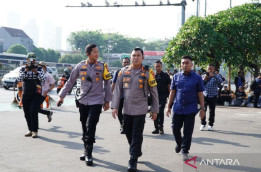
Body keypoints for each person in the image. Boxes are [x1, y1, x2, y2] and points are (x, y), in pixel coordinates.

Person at [57, 44, 112, 166]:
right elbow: (70, 81)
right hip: (83, 100)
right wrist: (61, 97)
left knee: (91, 124)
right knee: (84, 126)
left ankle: (89, 153)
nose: (97, 54)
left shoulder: (103, 66)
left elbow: (107, 83)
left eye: (98, 52)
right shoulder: (80, 65)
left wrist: (107, 100)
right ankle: (86, 148)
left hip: (97, 100)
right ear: (88, 53)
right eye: (94, 52)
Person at [111, 47, 159, 172]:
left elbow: (154, 92)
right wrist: (114, 107)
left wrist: (155, 110)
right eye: (134, 55)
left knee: (137, 133)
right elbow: (117, 90)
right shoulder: (123, 71)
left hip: (141, 109)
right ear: (130, 57)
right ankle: (136, 150)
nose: (136, 57)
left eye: (138, 55)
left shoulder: (149, 72)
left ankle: (133, 159)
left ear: (142, 58)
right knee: (127, 131)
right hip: (127, 109)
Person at [166, 55, 205, 161]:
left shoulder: (197, 78)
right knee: (175, 128)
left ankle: (185, 150)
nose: (185, 65)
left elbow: (200, 93)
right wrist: (168, 106)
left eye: (187, 63)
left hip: (190, 109)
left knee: (188, 131)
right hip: (177, 108)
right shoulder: (176, 76)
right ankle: (180, 143)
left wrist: (202, 109)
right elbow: (172, 92)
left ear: (191, 65)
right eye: (183, 63)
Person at [17, 53, 45, 138]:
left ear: (35, 60)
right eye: (30, 60)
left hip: (36, 92)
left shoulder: (39, 68)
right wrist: (26, 71)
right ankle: (30, 129)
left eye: (33, 60)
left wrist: (35, 72)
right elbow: (19, 79)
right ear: (27, 60)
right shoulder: (22, 69)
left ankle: (35, 131)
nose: (32, 61)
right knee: (26, 112)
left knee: (33, 111)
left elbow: (43, 79)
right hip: (26, 92)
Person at [111, 57, 131, 134]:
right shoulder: (118, 72)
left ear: (129, 63)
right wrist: (110, 95)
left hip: (129, 97)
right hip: (119, 96)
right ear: (122, 63)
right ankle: (122, 125)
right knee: (119, 112)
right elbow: (113, 83)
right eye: (124, 62)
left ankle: (125, 125)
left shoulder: (132, 72)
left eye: (127, 62)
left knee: (127, 112)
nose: (125, 63)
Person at [200, 64, 223, 131]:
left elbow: (221, 82)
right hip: (205, 96)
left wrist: (214, 76)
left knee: (212, 111)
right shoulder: (203, 75)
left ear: (214, 69)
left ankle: (210, 125)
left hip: (213, 95)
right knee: (203, 110)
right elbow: (199, 85)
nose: (210, 70)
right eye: (209, 69)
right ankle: (203, 124)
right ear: (207, 69)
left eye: (211, 69)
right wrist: (204, 80)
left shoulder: (217, 76)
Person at [152, 60, 171, 134]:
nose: (158, 68)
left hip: (163, 97)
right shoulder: (153, 75)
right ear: (154, 66)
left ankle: (161, 128)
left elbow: (169, 86)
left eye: (159, 66)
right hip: (154, 97)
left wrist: (170, 97)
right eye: (156, 66)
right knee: (154, 111)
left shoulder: (165, 76)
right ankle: (156, 128)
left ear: (161, 67)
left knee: (160, 112)